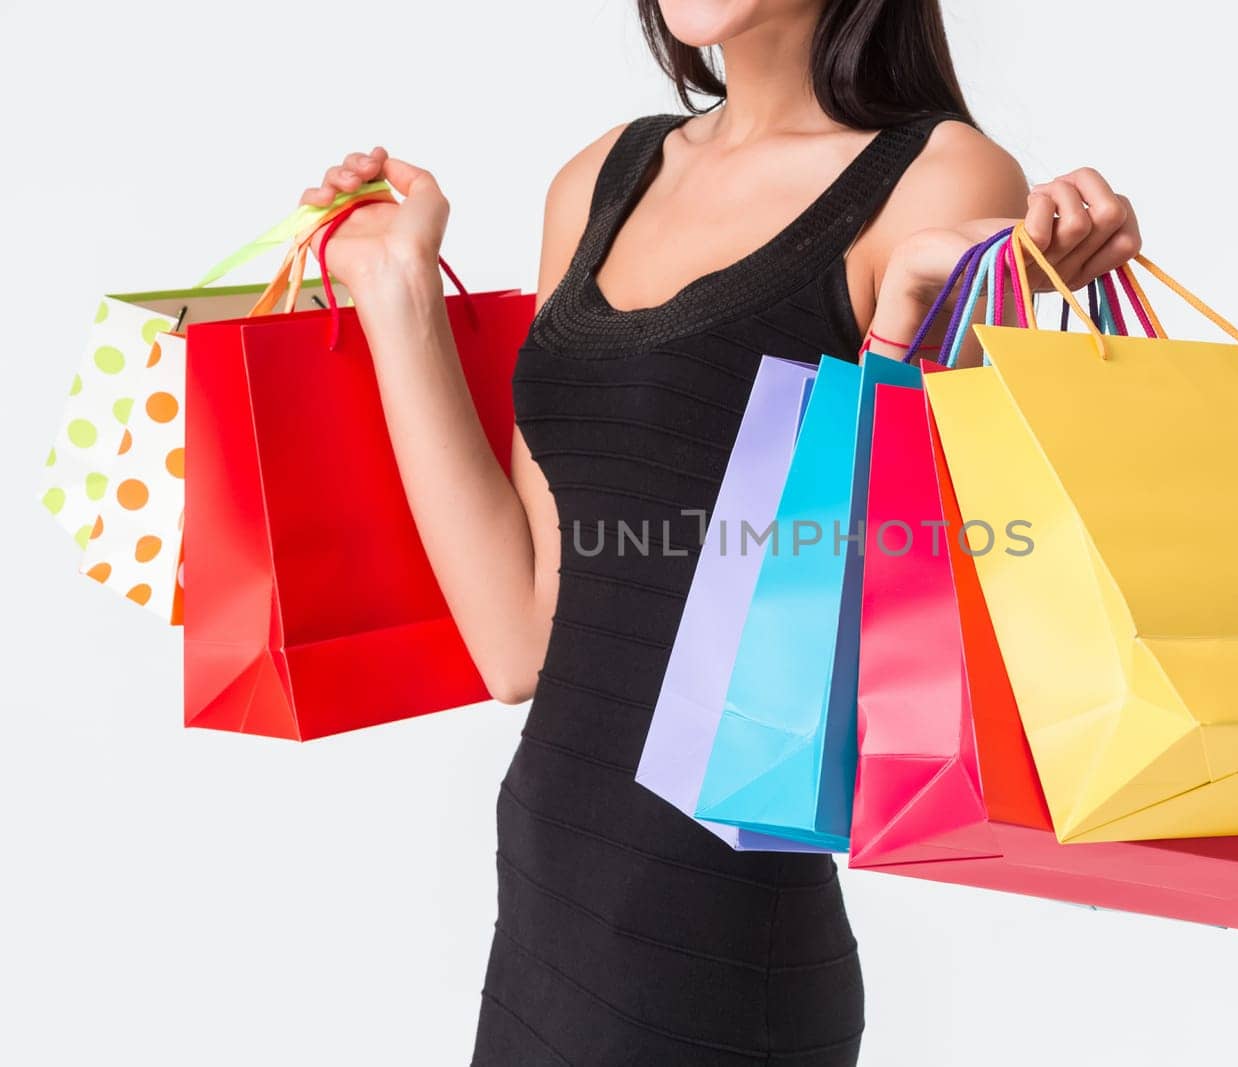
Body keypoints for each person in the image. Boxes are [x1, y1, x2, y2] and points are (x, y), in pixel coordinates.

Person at [299, 2, 1141, 1062]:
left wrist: (898, 342)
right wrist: (397, 288)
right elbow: (519, 635)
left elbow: (895, 621)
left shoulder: (942, 181)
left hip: (717, 933)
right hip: (548, 906)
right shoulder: (602, 174)